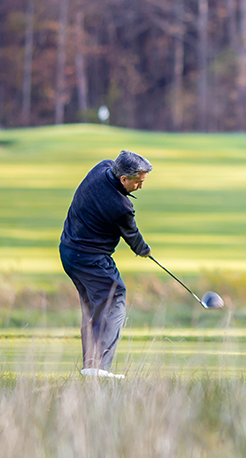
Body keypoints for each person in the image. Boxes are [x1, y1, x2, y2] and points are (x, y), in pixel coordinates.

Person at [59, 150, 153, 377]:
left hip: (69, 252)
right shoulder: (120, 206)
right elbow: (133, 237)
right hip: (89, 259)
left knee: (94, 308)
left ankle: (91, 368)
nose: (141, 186)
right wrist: (145, 250)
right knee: (115, 296)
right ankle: (99, 368)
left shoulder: (101, 168)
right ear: (124, 179)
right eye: (138, 182)